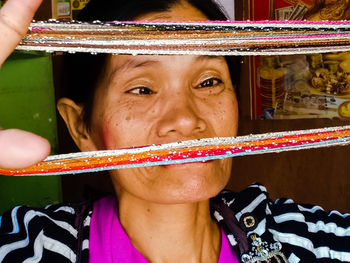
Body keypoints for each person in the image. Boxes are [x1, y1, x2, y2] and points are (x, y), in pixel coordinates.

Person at [0, 0, 350, 263]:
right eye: (142, 89)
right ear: (81, 126)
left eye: (209, 81)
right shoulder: (33, 247)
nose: (185, 119)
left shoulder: (304, 241)